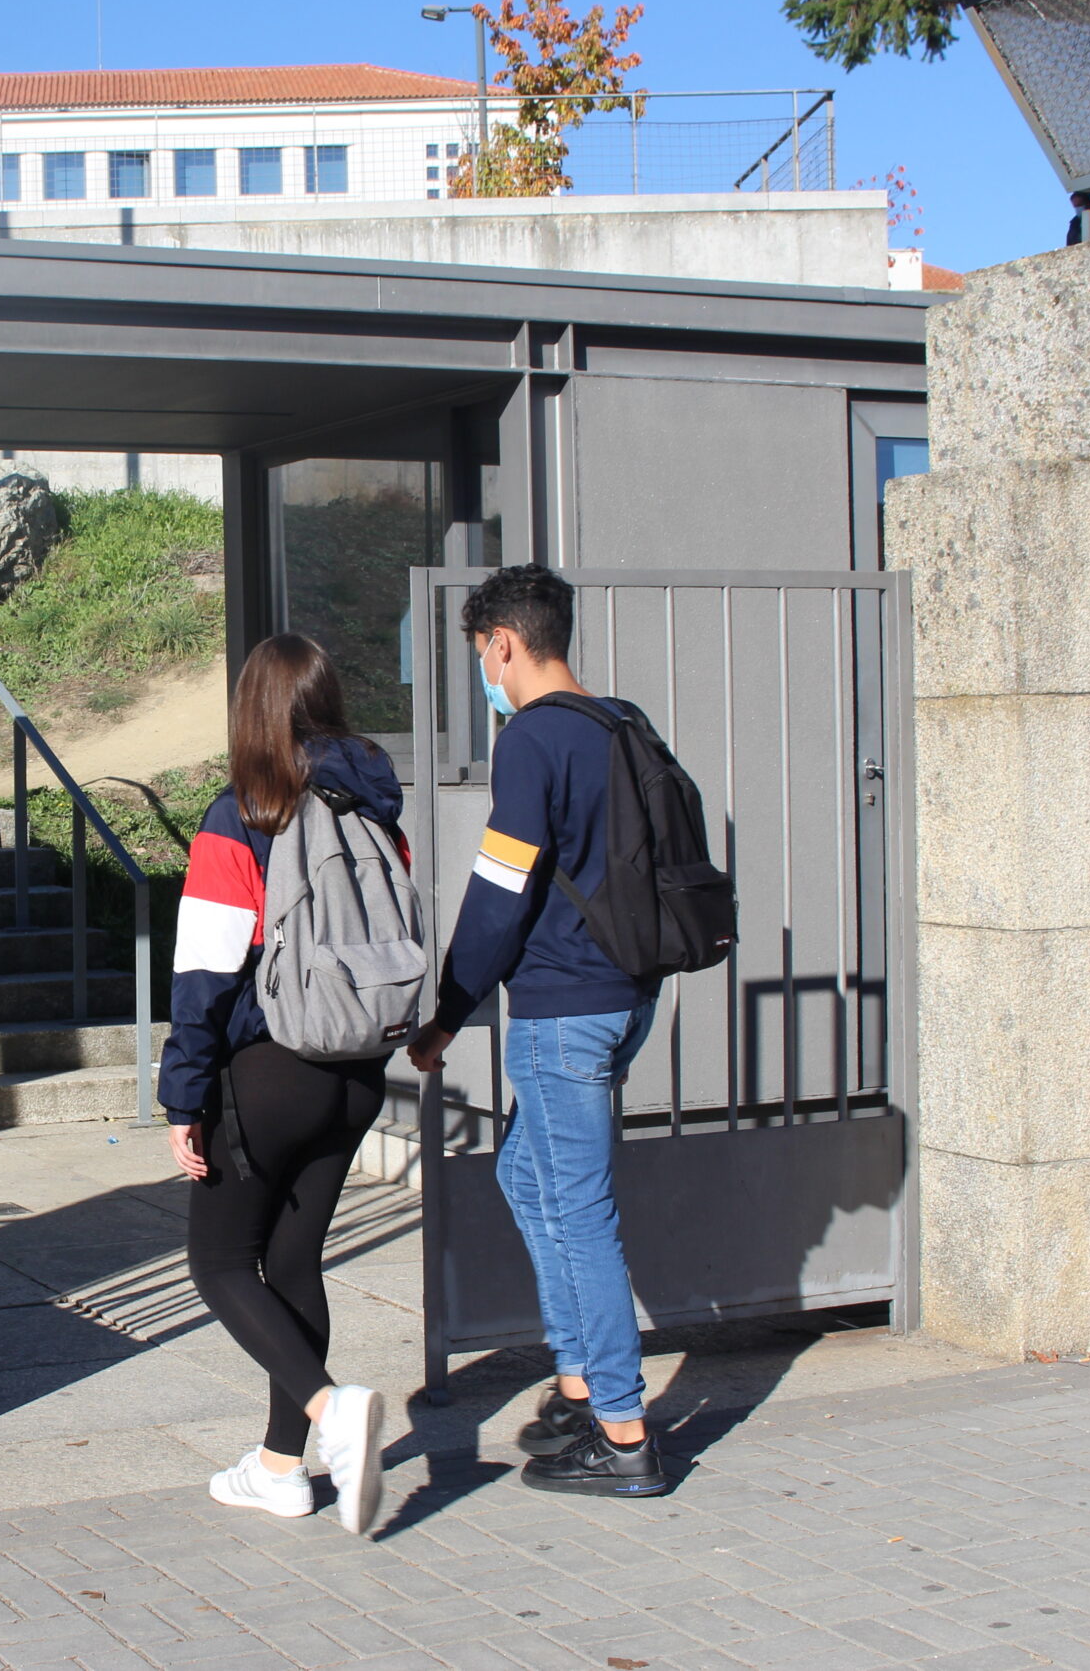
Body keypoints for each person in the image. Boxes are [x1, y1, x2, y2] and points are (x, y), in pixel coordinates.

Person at [406, 564, 669, 1499]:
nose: (486, 670)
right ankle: (578, 1382)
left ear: (504, 644)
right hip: (627, 994)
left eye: (483, 653)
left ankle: (625, 1430)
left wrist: (445, 1011)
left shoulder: (531, 742)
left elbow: (500, 890)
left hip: (563, 1007)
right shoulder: (621, 722)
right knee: (529, 1174)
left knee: (580, 1207)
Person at [160, 633, 400, 1536]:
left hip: (269, 1073)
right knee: (294, 1262)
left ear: (251, 712)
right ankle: (279, 1469)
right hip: (357, 1074)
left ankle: (329, 1410)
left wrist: (185, 1094)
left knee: (220, 1263)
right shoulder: (378, 812)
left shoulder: (241, 815)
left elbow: (206, 974)